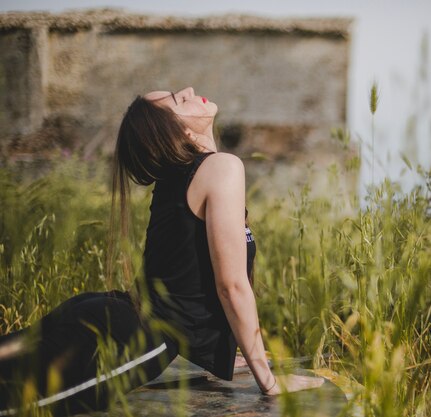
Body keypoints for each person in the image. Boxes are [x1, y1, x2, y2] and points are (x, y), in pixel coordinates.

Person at [0, 87, 324, 415]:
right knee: (17, 403)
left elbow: (187, 279)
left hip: (110, 312)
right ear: (179, 131)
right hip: (130, 336)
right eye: (177, 100)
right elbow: (231, 286)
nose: (188, 90)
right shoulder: (221, 168)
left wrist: (228, 353)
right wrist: (268, 380)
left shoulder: (182, 176)